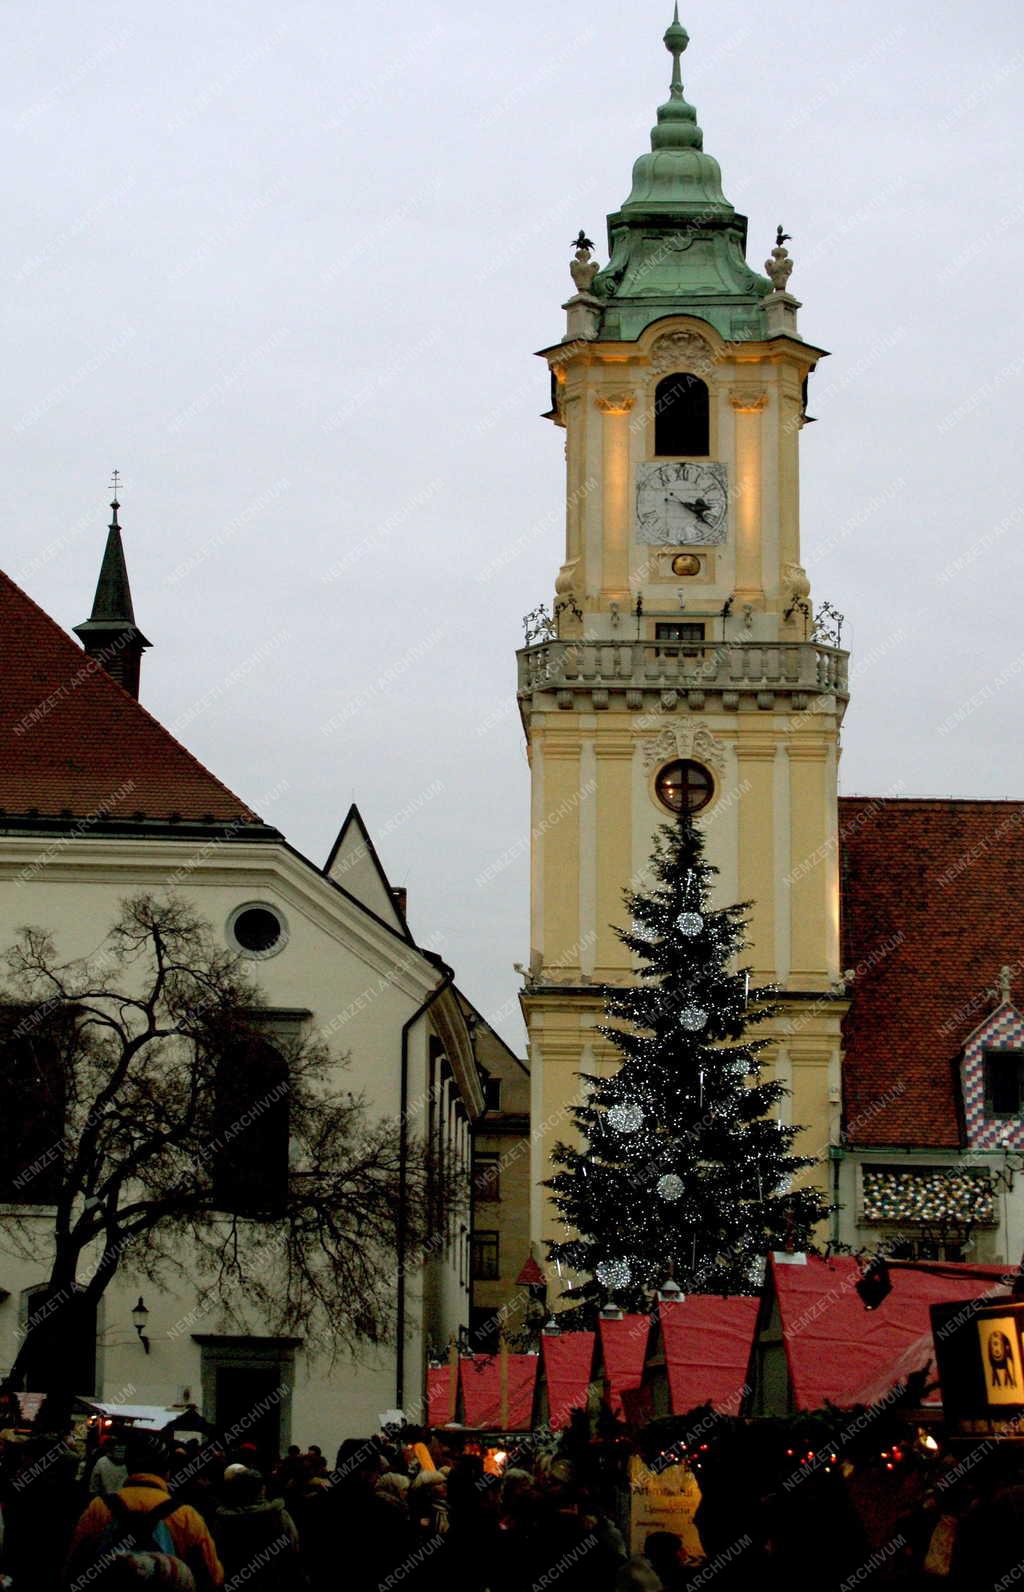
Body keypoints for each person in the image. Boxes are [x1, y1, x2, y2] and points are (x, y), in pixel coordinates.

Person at [65, 1432, 224, 1590]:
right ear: (166, 1471)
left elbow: (74, 1564)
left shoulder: (99, 1508)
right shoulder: (186, 1516)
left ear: (128, 1467)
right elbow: (212, 1577)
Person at [212, 1465, 301, 1590]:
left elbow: (216, 1553)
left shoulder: (221, 1518)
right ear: (262, 1489)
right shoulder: (279, 1516)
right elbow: (293, 1549)